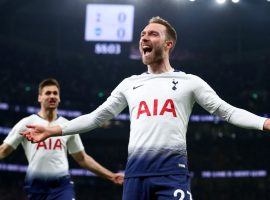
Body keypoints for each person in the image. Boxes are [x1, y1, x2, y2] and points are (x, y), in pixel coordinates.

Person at [21, 17, 270, 200]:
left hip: (172, 173)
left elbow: (227, 111)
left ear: (169, 43)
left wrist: (263, 122)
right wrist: (52, 131)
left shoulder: (189, 82)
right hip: (135, 177)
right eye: (142, 34)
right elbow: (95, 118)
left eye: (152, 34)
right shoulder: (130, 85)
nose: (144, 38)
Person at [0, 78, 124, 200]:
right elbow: (4, 150)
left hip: (62, 185)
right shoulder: (26, 123)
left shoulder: (66, 126)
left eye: (55, 93)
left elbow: (82, 158)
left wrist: (111, 176)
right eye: (48, 93)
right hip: (36, 185)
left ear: (59, 98)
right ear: (39, 98)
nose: (52, 96)